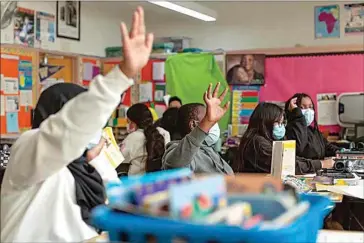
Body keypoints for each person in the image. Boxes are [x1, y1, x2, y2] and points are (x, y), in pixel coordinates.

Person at [1, 7, 153, 242]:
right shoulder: (30, 149)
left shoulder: (87, 166)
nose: (94, 131)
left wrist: (96, 161)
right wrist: (122, 75)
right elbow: (66, 132)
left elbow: (116, 199)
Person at [233, 102, 326, 174]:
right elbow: (286, 165)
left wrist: (318, 163)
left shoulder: (266, 139)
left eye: (282, 123)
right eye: (278, 123)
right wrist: (321, 164)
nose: (281, 127)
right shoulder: (257, 142)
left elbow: (290, 158)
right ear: (266, 122)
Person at [162, 83, 233, 174]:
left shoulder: (208, 149)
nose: (213, 124)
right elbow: (176, 164)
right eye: (207, 119)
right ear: (193, 125)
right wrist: (206, 123)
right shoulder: (177, 149)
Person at [285, 93, 338, 164]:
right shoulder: (289, 130)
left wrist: (344, 152)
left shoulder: (312, 130)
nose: (308, 110)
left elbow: (327, 147)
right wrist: (298, 117)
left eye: (310, 107)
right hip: (304, 172)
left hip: (317, 170)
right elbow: (298, 148)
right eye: (302, 107)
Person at [120, 103, 170, 175]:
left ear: (133, 122)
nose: (128, 124)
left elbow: (115, 158)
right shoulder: (164, 133)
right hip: (159, 181)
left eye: (128, 121)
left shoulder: (133, 137)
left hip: (136, 183)